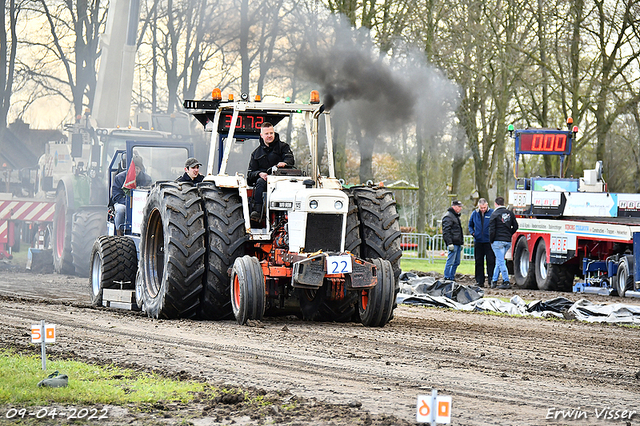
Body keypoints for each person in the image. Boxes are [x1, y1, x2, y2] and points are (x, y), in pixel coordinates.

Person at [247, 122, 294, 222]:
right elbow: (250, 174)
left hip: (282, 180)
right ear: (261, 135)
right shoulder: (256, 154)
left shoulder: (283, 147)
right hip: (265, 183)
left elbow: (289, 159)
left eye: (271, 133)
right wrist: (259, 174)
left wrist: (284, 163)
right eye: (267, 134)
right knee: (260, 182)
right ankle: (258, 212)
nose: (269, 136)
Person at [112, 155, 152, 235]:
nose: (136, 170)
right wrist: (128, 203)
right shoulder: (119, 178)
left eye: (138, 168)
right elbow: (116, 196)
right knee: (120, 210)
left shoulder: (147, 179)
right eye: (134, 168)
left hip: (141, 204)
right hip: (123, 203)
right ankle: (119, 234)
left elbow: (149, 193)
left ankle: (146, 234)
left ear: (141, 169)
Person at [489, 196, 519, 289]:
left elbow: (492, 230)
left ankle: (506, 281)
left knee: (501, 262)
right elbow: (516, 226)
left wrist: (491, 240)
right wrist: (509, 234)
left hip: (497, 241)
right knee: (499, 260)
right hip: (507, 241)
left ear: (495, 204)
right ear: (503, 203)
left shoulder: (494, 214)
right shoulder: (510, 213)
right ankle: (494, 281)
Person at [468, 198, 495, 288]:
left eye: (484, 207)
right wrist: (473, 233)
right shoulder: (474, 214)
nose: (483, 209)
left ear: (487, 205)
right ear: (478, 206)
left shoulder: (492, 213)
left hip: (488, 242)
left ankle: (491, 280)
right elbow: (470, 225)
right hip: (478, 241)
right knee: (478, 262)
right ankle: (479, 281)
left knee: (490, 261)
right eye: (481, 208)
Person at [442, 200, 464, 281]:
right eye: (459, 207)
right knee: (450, 261)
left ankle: (451, 276)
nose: (460, 208)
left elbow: (459, 231)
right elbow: (446, 231)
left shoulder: (455, 216)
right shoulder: (448, 217)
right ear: (454, 207)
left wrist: (461, 242)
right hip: (453, 243)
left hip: (457, 243)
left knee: (456, 262)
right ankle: (447, 277)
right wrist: (449, 243)